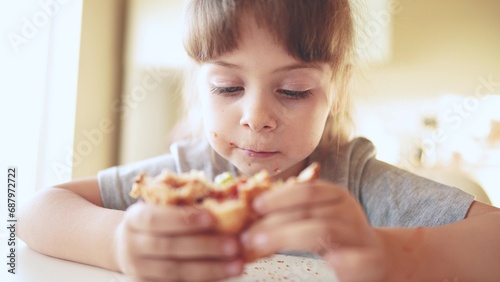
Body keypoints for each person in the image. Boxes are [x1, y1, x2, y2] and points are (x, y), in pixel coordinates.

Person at [18, 0, 500, 281]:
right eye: (228, 87)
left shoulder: (358, 186)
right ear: (199, 86)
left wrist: (382, 251)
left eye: (293, 90)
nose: (256, 118)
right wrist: (117, 241)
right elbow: (34, 211)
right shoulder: (185, 178)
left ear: (335, 92)